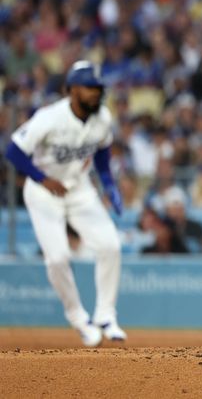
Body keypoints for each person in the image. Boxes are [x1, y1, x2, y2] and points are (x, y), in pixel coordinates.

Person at [5, 61, 127, 346]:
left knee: (110, 246)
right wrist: (41, 178)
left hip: (79, 189)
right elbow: (14, 151)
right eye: (89, 87)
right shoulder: (50, 117)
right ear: (71, 89)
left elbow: (102, 153)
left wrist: (109, 185)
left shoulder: (102, 118)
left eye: (98, 88)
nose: (96, 93)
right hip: (44, 192)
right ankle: (78, 318)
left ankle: (106, 315)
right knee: (58, 258)